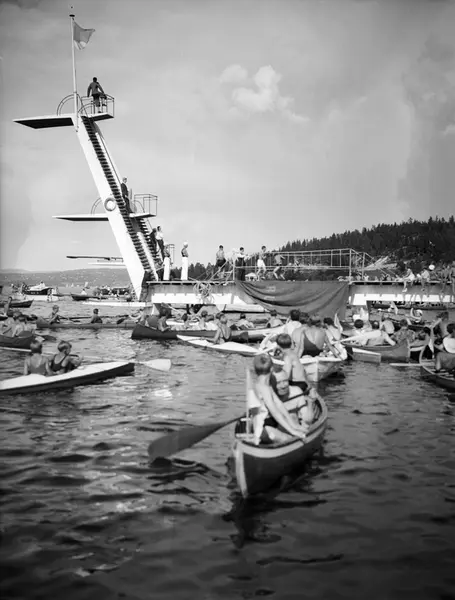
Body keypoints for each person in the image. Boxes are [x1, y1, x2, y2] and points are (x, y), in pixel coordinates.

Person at [246, 354, 309, 445]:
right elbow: (274, 411)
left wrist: (293, 425)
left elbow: (279, 404)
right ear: (272, 369)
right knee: (289, 439)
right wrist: (292, 431)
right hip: (262, 429)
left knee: (292, 432)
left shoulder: (265, 384)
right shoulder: (264, 388)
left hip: (266, 425)